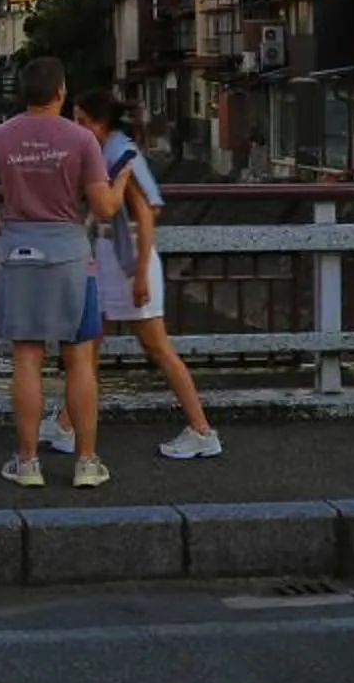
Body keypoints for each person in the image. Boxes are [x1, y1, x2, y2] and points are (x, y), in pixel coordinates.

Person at [45, 90, 222, 460]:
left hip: (129, 260)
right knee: (90, 342)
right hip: (110, 255)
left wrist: (140, 273)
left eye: (82, 121)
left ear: (100, 123)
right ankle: (66, 421)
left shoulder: (123, 153)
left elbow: (145, 215)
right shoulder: (106, 151)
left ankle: (202, 430)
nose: (78, 128)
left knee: (156, 346)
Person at [0, 55, 120, 488]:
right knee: (78, 360)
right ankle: (87, 462)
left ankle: (28, 463)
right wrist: (123, 182)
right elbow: (104, 207)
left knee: (26, 358)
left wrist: (7, 231)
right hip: (72, 257)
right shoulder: (81, 140)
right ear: (60, 92)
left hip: (17, 254)